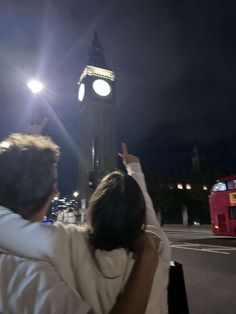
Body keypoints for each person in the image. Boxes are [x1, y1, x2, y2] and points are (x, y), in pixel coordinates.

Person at [0, 133, 160, 314]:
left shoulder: (62, 242)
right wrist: (148, 255)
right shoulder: (32, 277)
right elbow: (148, 212)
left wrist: (25, 157)